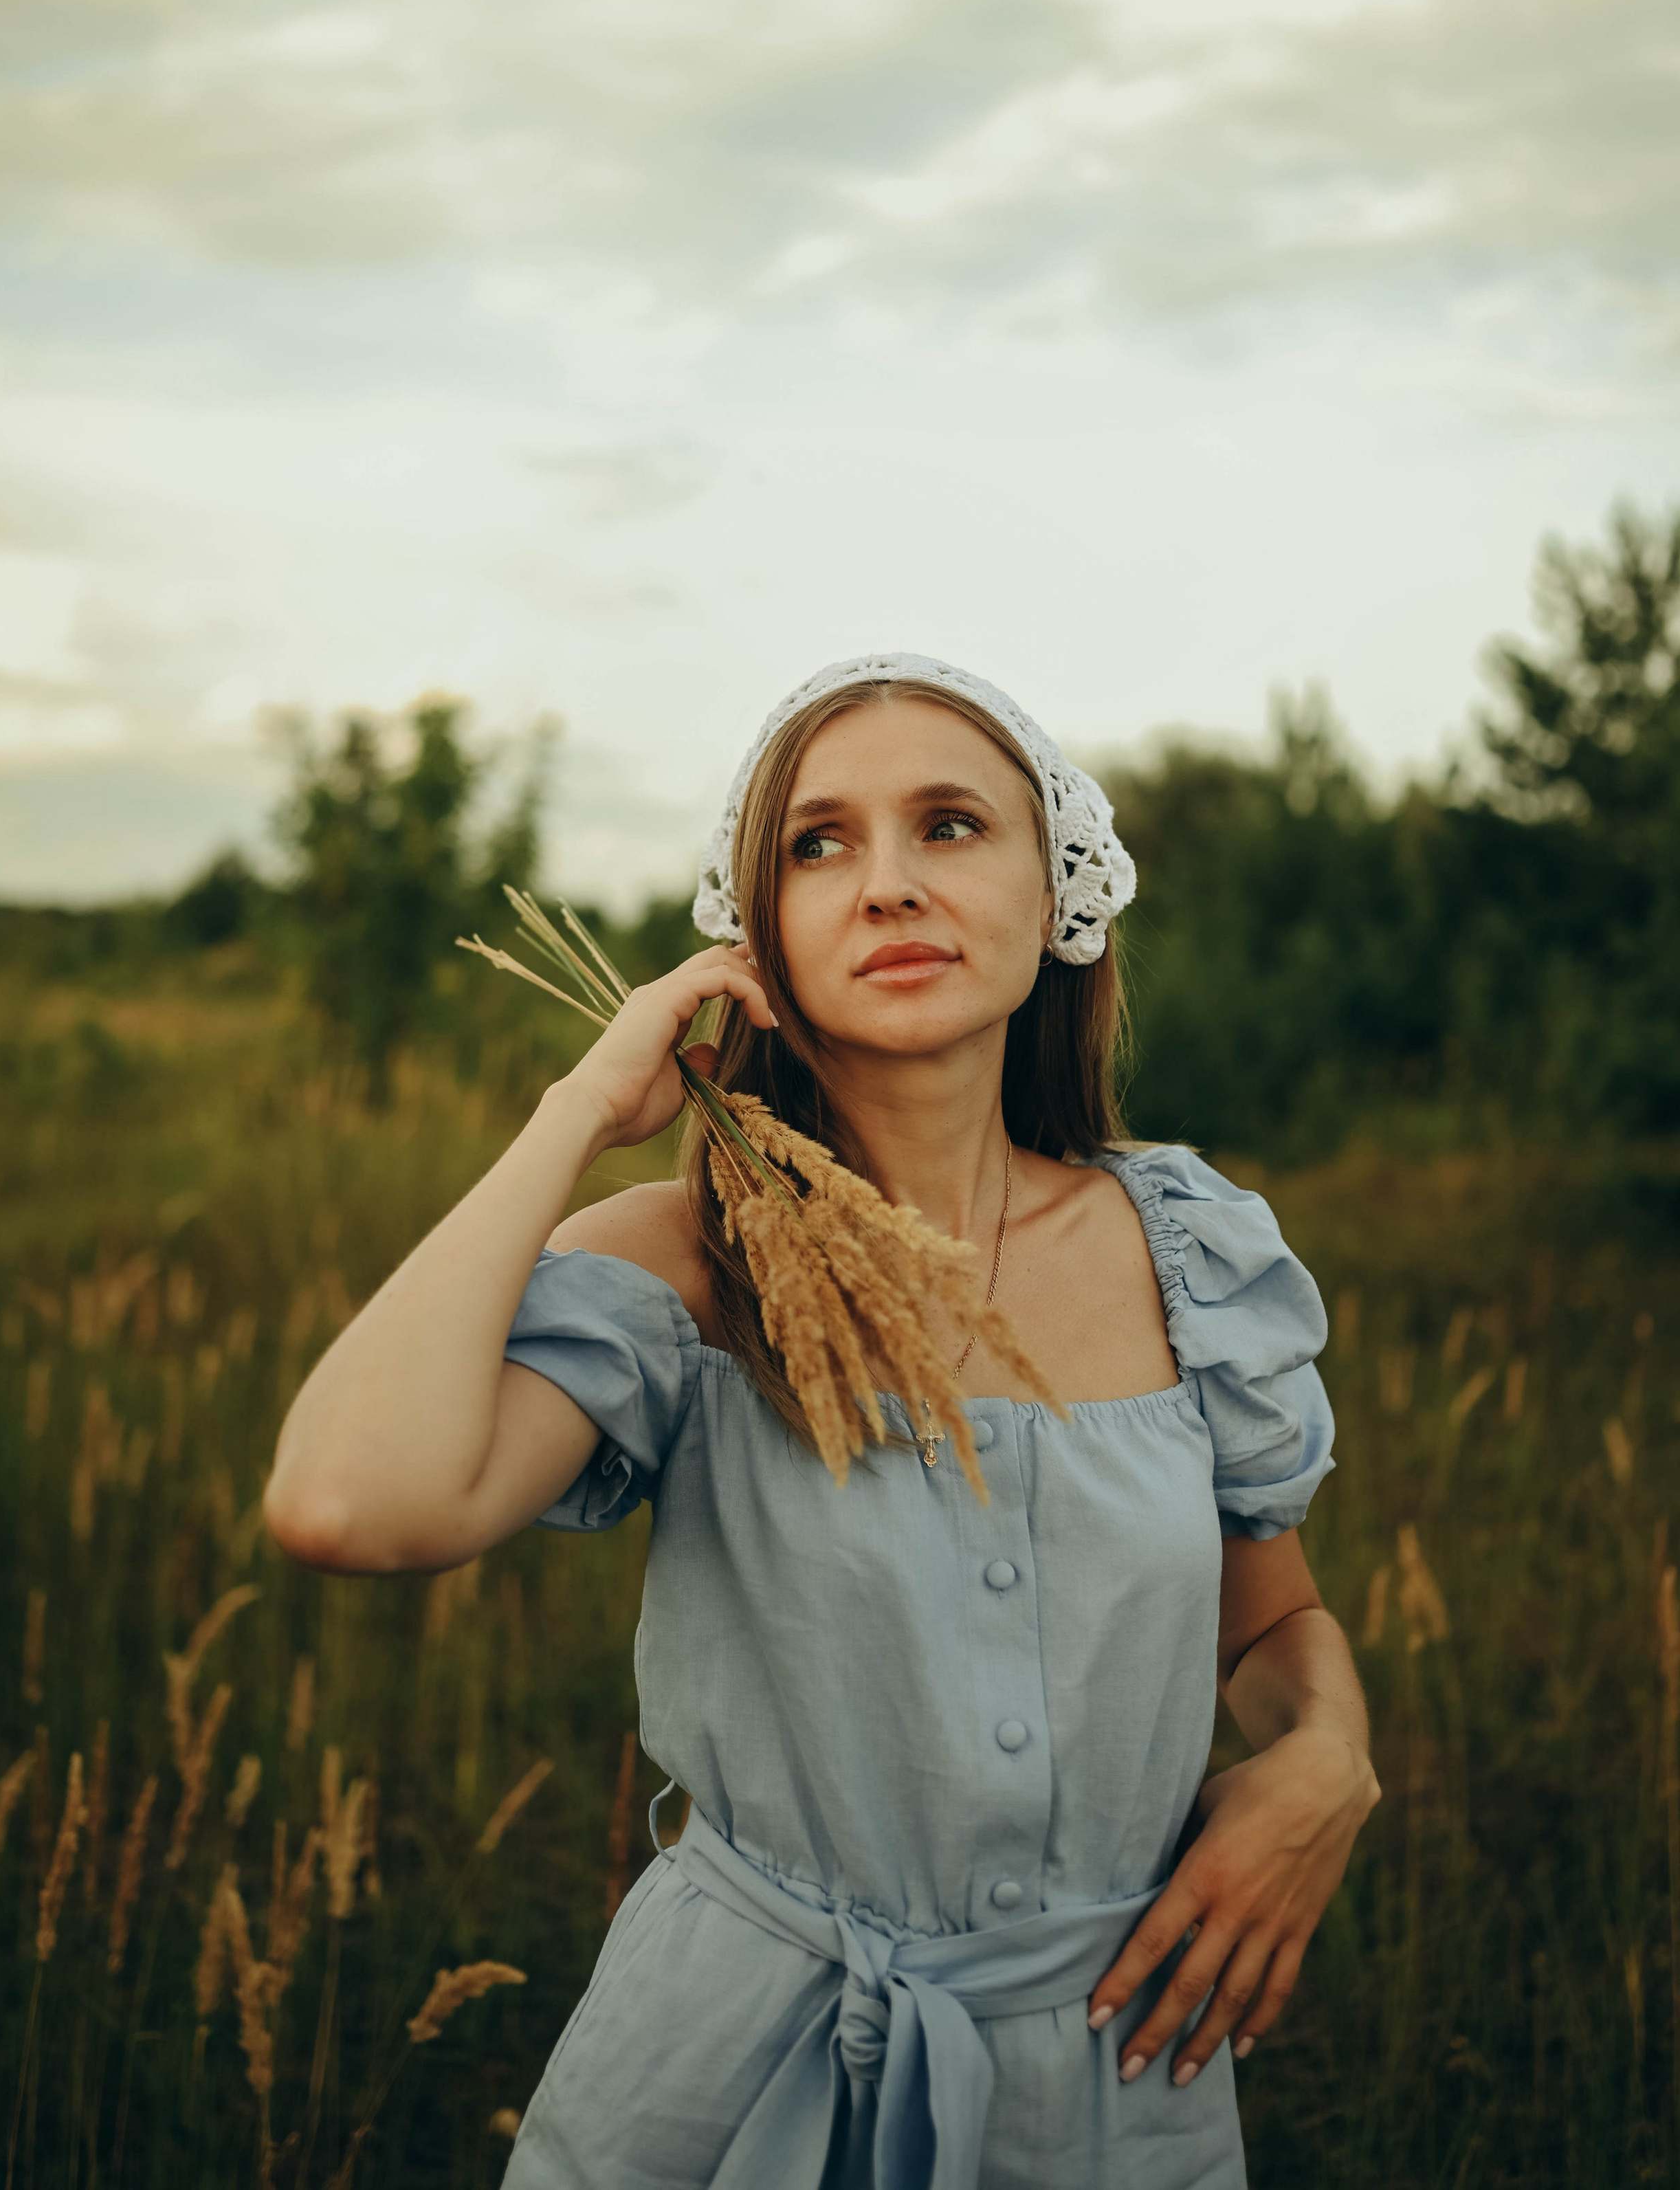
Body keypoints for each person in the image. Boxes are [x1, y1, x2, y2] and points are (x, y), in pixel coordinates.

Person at [265, 652, 1379, 2190]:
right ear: (758, 934)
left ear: (1050, 891)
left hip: (1110, 2087)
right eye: (819, 843)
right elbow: (342, 1502)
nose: (887, 885)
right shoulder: (681, 1262)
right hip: (724, 2080)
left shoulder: (1186, 1248)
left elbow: (1268, 1623)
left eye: (948, 825)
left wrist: (1327, 1753)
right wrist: (577, 1110)